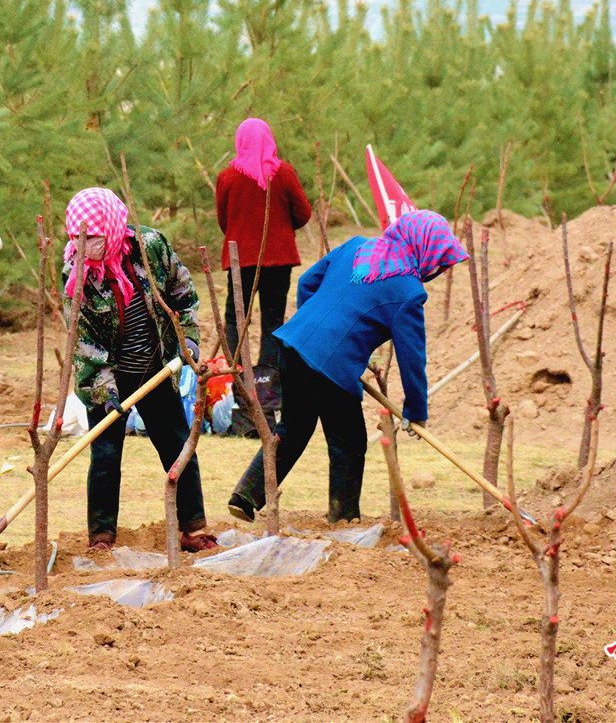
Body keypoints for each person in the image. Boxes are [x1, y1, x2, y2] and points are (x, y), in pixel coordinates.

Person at [228, 209, 464, 524]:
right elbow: (412, 359)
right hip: (331, 367)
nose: (439, 268)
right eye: (440, 260)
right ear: (424, 249)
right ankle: (344, 522)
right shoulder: (408, 292)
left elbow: (307, 282)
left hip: (292, 344)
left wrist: (312, 333)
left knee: (293, 429)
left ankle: (246, 495)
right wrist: (416, 411)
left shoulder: (356, 247)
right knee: (349, 445)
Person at [62, 187, 215, 553]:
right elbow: (82, 343)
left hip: (155, 367)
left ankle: (193, 529)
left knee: (178, 446)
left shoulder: (150, 247)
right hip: (104, 376)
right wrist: (105, 390)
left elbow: (183, 294)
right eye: (77, 239)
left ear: (113, 228)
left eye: (94, 238)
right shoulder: (75, 271)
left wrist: (189, 338)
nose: (86, 247)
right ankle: (101, 538)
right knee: (105, 456)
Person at [215, 117, 313, 435]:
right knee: (273, 321)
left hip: (239, 258)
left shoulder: (228, 177)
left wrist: (242, 235)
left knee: (234, 319)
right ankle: (268, 384)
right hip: (278, 259)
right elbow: (303, 211)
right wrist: (281, 230)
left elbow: (223, 218)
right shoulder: (282, 173)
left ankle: (236, 376)